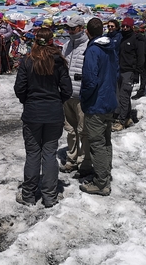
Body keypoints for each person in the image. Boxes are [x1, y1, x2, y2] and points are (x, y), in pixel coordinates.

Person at [14, 27, 72, 208]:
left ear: (35, 40)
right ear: (51, 40)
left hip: (32, 113)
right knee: (49, 154)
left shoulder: (27, 61)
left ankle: (28, 194)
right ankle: (50, 196)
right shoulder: (59, 62)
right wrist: (56, 102)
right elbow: (67, 90)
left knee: (33, 154)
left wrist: (27, 101)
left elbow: (19, 88)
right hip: (53, 114)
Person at [79, 17, 119, 196]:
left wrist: (84, 98)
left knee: (97, 143)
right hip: (109, 100)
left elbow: (89, 80)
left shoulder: (93, 51)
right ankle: (106, 174)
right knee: (106, 140)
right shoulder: (110, 48)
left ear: (87, 32)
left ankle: (101, 183)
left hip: (96, 103)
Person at [59, 15, 91, 174]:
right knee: (70, 130)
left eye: (73, 28)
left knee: (83, 130)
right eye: (68, 28)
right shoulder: (66, 46)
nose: (70, 31)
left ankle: (84, 162)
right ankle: (71, 159)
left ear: (81, 28)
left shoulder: (88, 46)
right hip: (67, 95)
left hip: (82, 96)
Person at [113, 17, 144, 132]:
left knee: (124, 96)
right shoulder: (120, 37)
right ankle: (127, 118)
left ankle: (121, 121)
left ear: (131, 27)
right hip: (119, 70)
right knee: (120, 96)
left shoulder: (136, 39)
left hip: (129, 71)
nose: (125, 28)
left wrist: (137, 73)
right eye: (123, 26)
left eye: (127, 26)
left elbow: (141, 57)